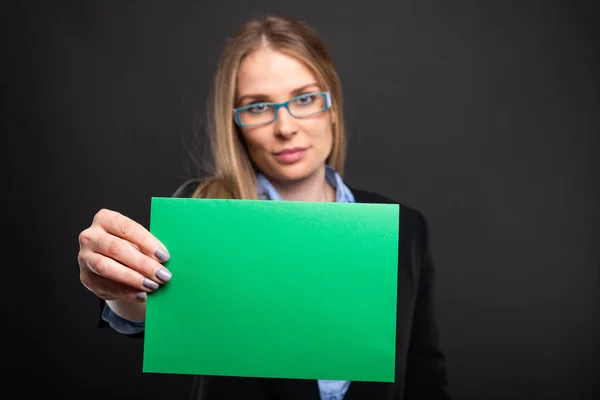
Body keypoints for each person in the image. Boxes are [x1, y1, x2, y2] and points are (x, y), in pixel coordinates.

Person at [78, 15, 451, 400]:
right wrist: (116, 289)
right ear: (235, 123)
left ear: (333, 106)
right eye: (257, 107)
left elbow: (426, 377)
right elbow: (147, 319)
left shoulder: (405, 229)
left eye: (305, 99)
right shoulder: (206, 213)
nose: (285, 127)